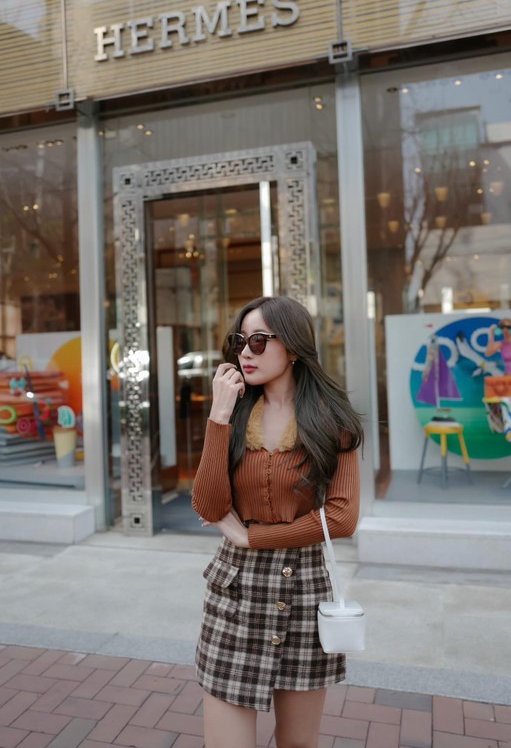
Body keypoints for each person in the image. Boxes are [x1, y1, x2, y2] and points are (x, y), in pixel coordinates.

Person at [191, 295, 363, 748]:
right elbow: (208, 505)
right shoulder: (233, 413)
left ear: (293, 347)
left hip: (303, 590)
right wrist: (219, 414)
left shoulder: (331, 419)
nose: (245, 352)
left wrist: (252, 537)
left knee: (298, 743)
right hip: (235, 592)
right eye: (240, 341)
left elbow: (342, 517)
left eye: (259, 340)